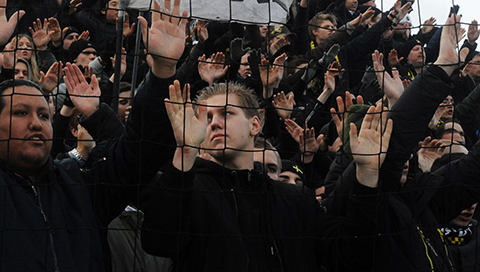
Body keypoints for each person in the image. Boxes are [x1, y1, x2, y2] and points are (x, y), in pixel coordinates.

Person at [0, 0, 180, 271]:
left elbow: (140, 154)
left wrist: (163, 71)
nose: (36, 123)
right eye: (21, 113)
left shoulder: (79, 183)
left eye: (44, 115)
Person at [141, 79, 393, 271]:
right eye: (206, 119)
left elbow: (354, 256)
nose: (214, 123)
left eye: (225, 113)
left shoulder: (296, 199)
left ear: (255, 125)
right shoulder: (186, 189)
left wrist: (368, 173)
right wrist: (184, 152)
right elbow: (158, 242)